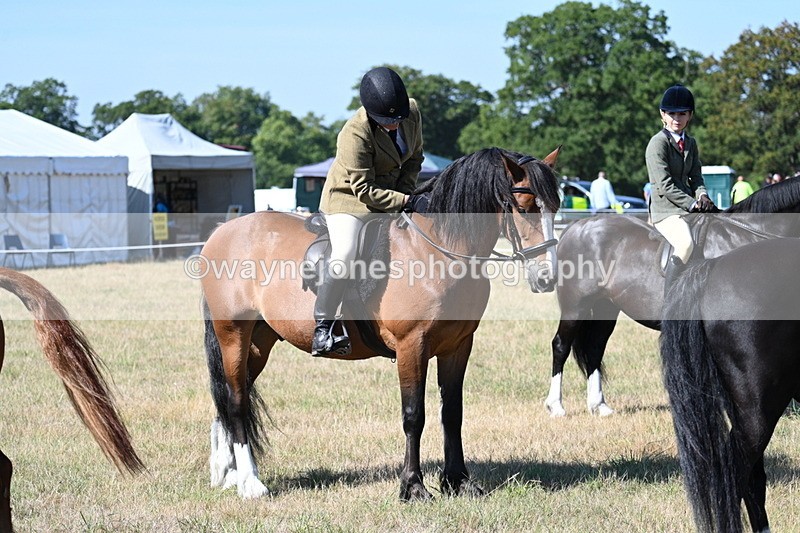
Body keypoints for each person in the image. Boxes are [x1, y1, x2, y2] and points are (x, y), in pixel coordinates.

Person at [312, 66, 426, 357]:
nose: (393, 126)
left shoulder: (411, 112)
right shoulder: (353, 133)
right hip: (350, 199)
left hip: (393, 193)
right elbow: (364, 189)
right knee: (346, 252)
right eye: (386, 122)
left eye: (397, 120)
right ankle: (323, 328)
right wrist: (404, 202)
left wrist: (407, 194)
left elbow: (414, 159)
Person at [645, 84, 716, 287]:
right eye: (672, 114)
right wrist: (692, 204)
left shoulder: (691, 143)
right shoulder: (657, 143)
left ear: (690, 115)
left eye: (682, 114)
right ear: (663, 114)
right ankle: (672, 297)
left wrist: (702, 196)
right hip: (665, 210)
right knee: (685, 244)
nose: (677, 119)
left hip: (687, 207)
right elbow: (665, 185)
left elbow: (696, 177)